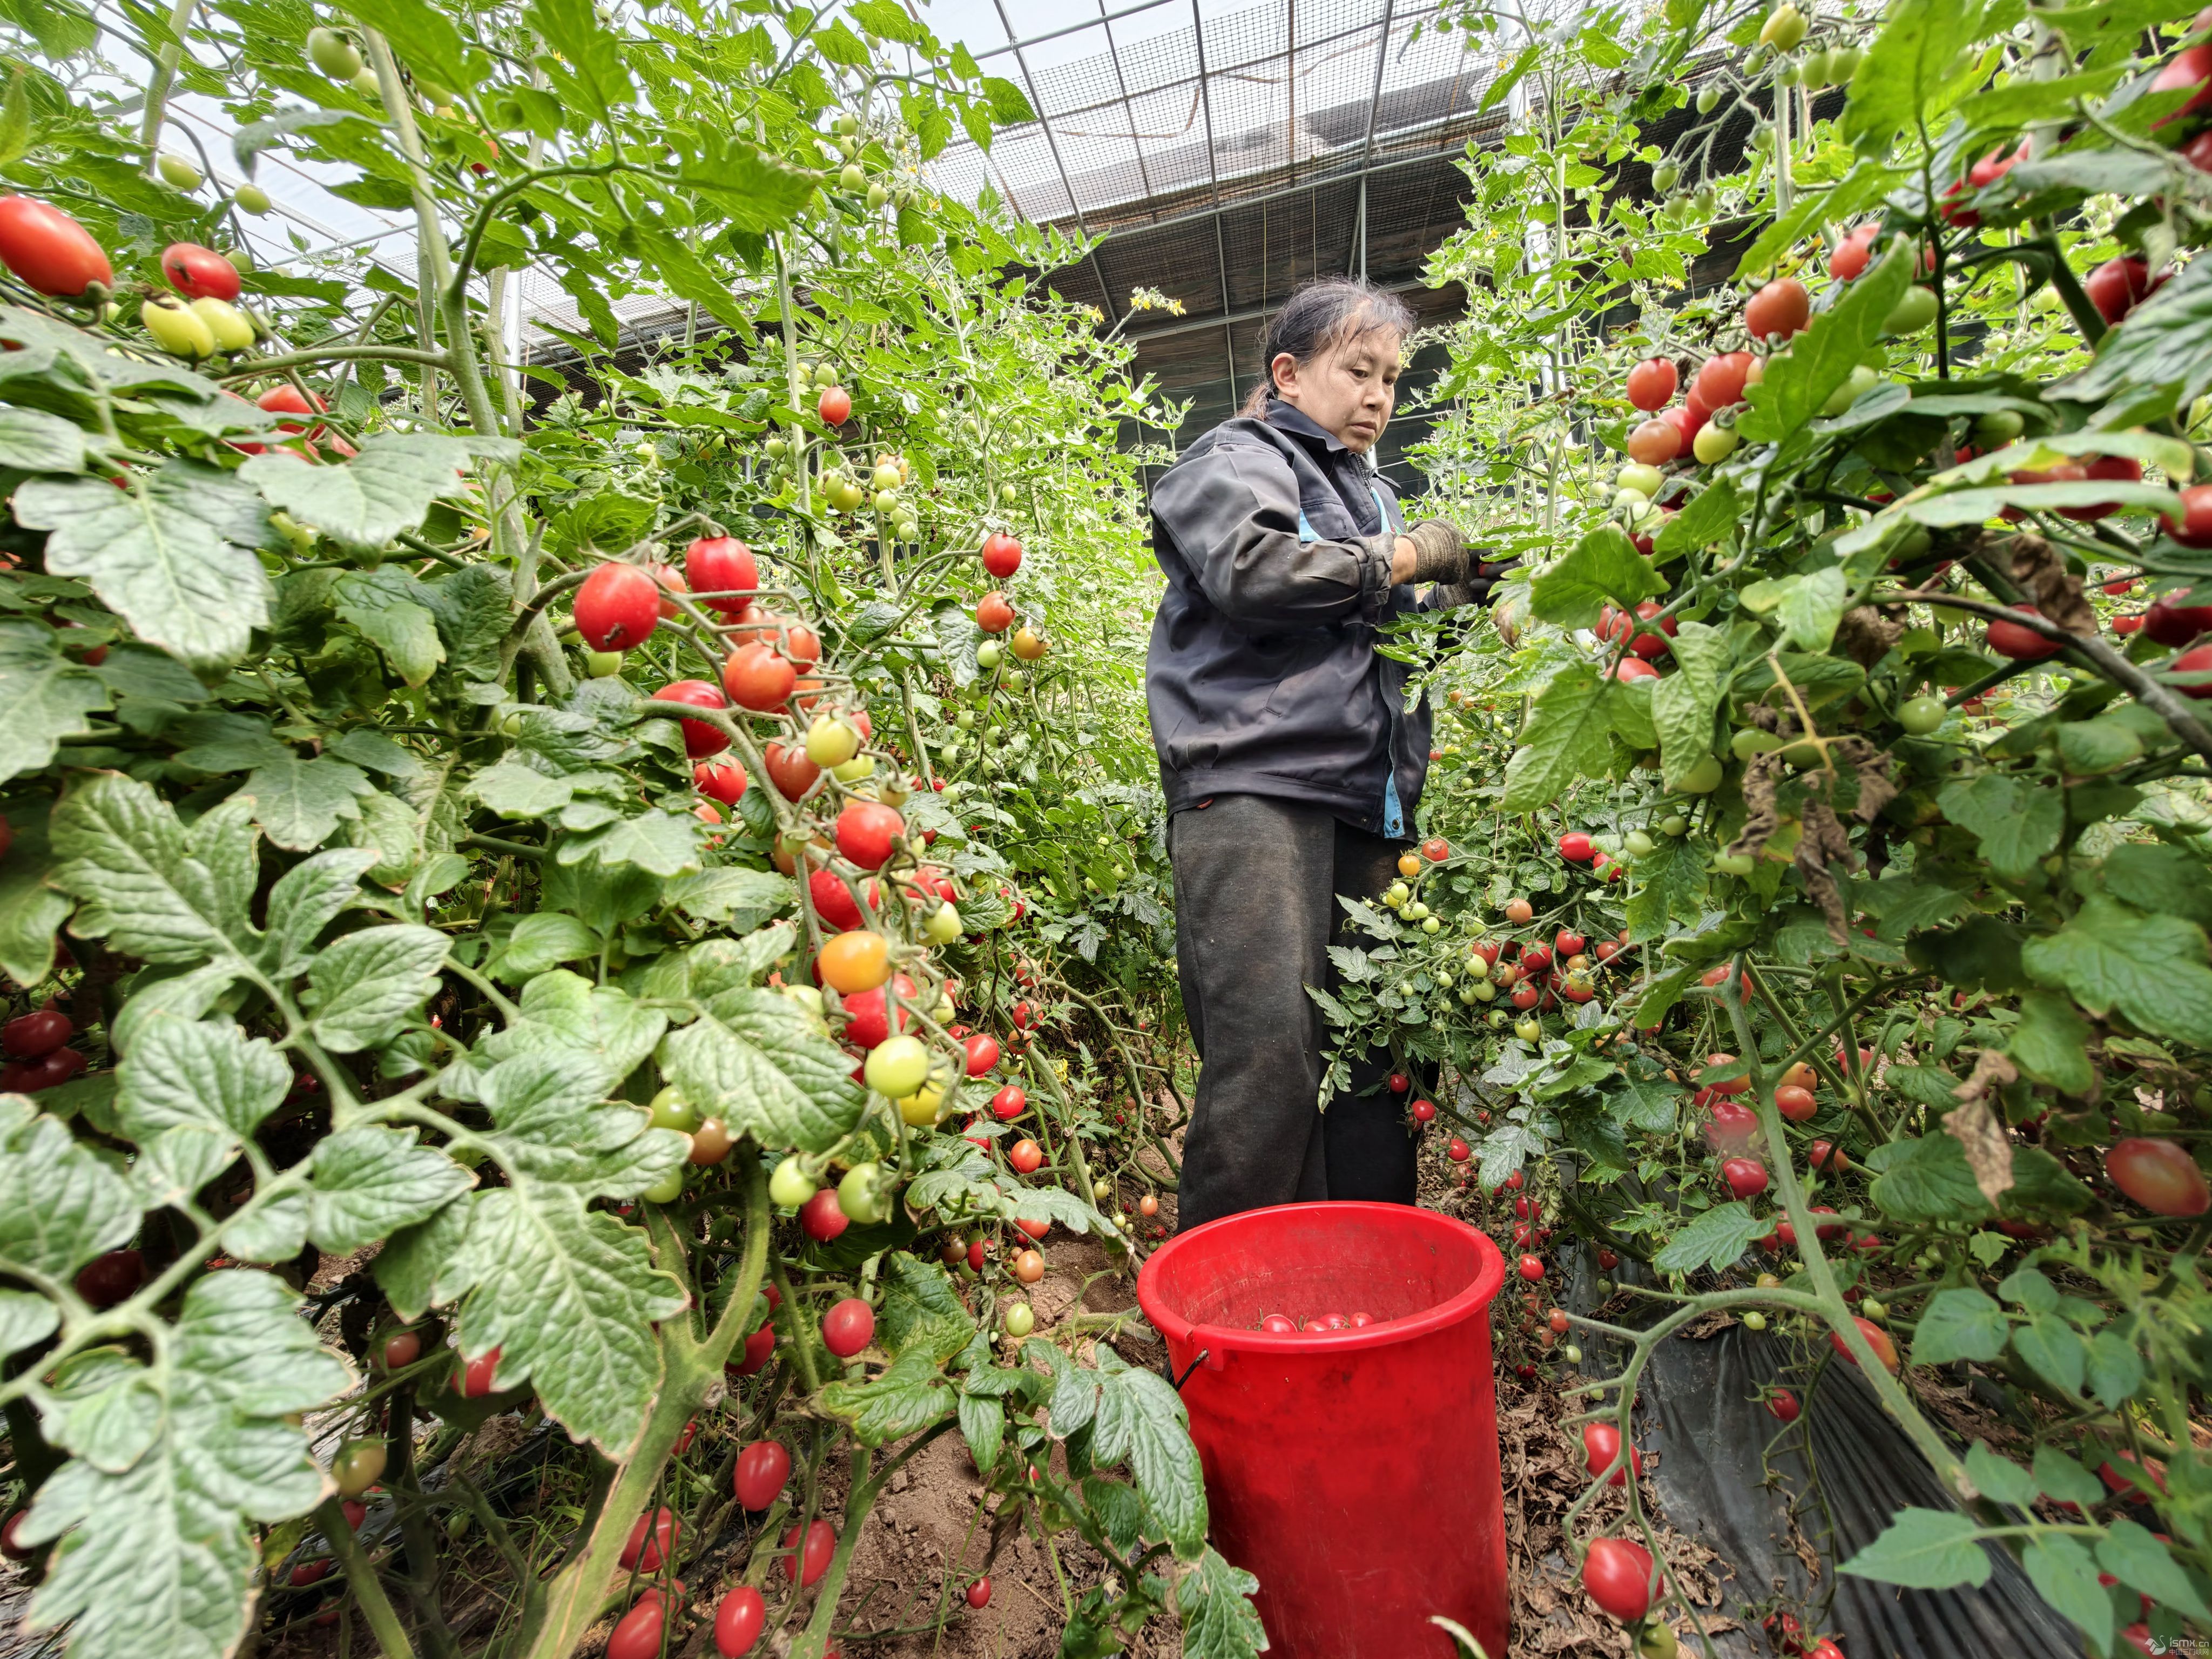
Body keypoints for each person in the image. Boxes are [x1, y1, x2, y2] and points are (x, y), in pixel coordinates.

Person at [1145, 276, 1510, 1232]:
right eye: (1359, 370)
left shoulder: (1376, 496)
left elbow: (1392, 646)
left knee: (1378, 1057)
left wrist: (1471, 597)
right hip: (1255, 789)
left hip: (1368, 804)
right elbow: (1258, 573)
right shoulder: (1228, 461)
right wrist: (1408, 558)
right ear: (1289, 373)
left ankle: (1373, 1281)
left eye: (1392, 377)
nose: (1381, 397)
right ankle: (1232, 1314)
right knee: (1268, 1055)